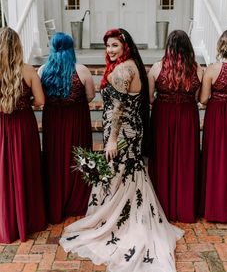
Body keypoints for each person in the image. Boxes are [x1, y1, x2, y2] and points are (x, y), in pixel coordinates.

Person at [60, 28, 183, 272]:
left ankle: (118, 222)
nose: (110, 50)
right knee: (129, 173)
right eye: (107, 46)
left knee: (119, 174)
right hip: (133, 131)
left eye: (114, 45)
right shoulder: (133, 65)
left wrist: (112, 140)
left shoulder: (123, 70)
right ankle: (131, 217)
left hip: (122, 133)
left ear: (124, 46)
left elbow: (117, 109)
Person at [38, 32, 95, 224]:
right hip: (76, 120)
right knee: (77, 155)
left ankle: (56, 199)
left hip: (53, 120)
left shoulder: (42, 70)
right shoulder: (82, 70)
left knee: (55, 157)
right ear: (72, 48)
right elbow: (90, 96)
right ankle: (78, 200)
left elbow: (40, 99)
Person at [148, 30, 203, 223]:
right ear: (188, 47)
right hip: (188, 116)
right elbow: (200, 98)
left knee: (163, 157)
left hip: (163, 116)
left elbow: (149, 99)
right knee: (186, 159)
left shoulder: (156, 68)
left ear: (168, 46)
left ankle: (163, 207)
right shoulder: (198, 70)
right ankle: (185, 207)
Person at [0, 27, 47, 243]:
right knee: (24, 168)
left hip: (2, 125)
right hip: (22, 127)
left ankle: (6, 221)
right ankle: (29, 219)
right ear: (18, 47)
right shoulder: (29, 71)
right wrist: (24, 103)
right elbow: (41, 101)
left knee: (3, 171)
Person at [200, 28, 227, 222]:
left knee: (218, 158)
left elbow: (204, 99)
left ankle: (217, 208)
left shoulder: (213, 69)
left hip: (218, 118)